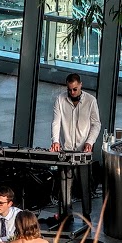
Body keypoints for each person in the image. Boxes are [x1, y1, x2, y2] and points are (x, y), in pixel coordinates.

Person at [49, 73, 100, 217]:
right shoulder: (60, 99)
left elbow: (96, 124)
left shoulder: (91, 100)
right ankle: (67, 215)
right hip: (66, 149)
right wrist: (55, 141)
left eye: (75, 89)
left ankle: (87, 214)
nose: (72, 92)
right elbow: (56, 122)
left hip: (83, 150)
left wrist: (90, 142)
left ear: (81, 85)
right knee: (65, 184)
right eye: (69, 89)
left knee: (84, 185)